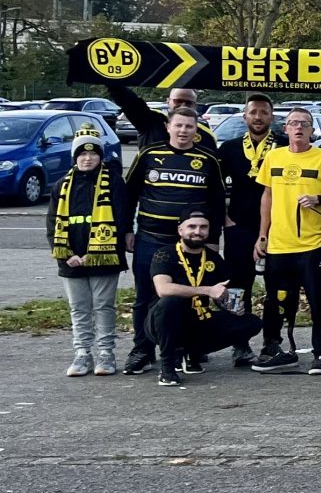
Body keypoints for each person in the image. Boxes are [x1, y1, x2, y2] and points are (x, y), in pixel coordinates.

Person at [123, 108, 227, 376]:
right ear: (168, 127)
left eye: (189, 126)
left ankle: (188, 349)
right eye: (178, 125)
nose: (183, 131)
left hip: (190, 244)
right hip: (150, 237)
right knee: (145, 296)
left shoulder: (207, 159)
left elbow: (216, 203)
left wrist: (212, 239)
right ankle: (142, 350)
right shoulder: (149, 154)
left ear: (196, 130)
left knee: (189, 295)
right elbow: (129, 194)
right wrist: (126, 230)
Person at [250, 108, 321, 376]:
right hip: (279, 244)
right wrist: (262, 235)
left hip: (314, 243)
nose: (299, 128)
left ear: (312, 130)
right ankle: (276, 349)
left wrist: (319, 199)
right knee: (278, 301)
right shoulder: (274, 156)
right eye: (293, 123)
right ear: (286, 129)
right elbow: (267, 196)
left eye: (304, 124)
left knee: (318, 302)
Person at [47, 131, 130, 376]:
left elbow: (122, 218)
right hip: (71, 258)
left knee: (103, 306)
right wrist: (66, 255)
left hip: (105, 256)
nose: (87, 158)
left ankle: (106, 353)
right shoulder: (62, 185)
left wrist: (96, 252)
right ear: (75, 157)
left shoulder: (113, 182)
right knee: (79, 308)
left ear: (101, 157)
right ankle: (82, 353)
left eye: (93, 154)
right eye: (82, 153)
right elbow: (52, 224)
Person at [148, 212, 262, 387]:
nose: (197, 231)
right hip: (163, 322)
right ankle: (168, 366)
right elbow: (163, 289)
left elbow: (220, 294)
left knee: (251, 322)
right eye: (192, 226)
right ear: (180, 230)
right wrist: (207, 290)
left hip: (199, 318)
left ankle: (191, 353)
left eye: (203, 227)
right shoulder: (165, 254)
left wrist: (230, 306)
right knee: (170, 302)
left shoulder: (213, 258)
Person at [215, 93, 275, 366]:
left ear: (272, 117)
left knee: (276, 285)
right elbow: (213, 187)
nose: (258, 117)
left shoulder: (283, 146)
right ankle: (239, 344)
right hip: (238, 227)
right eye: (253, 112)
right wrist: (225, 219)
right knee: (238, 287)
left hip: (276, 228)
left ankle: (272, 341)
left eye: (263, 112)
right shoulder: (229, 148)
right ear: (245, 116)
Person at [106, 82, 216, 155]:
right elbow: (128, 101)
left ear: (195, 105)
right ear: (168, 101)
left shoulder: (205, 134)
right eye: (178, 101)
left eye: (188, 102)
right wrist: (109, 79)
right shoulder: (151, 121)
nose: (183, 105)